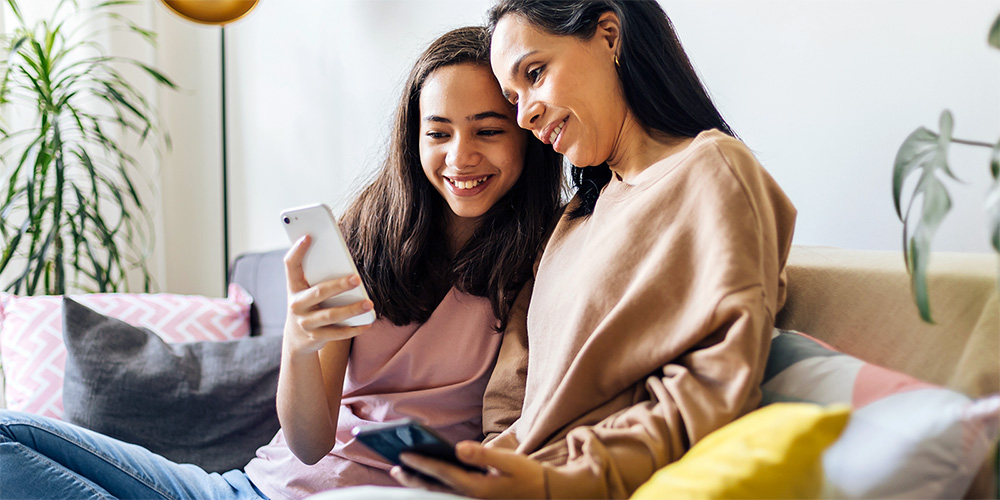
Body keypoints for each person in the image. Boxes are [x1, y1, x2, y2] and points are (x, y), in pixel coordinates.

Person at [0, 26, 563, 500]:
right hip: (252, 489)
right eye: (438, 133)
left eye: (488, 131)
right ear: (413, 139)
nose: (460, 157)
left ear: (527, 136)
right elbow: (310, 443)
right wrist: (299, 339)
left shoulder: (544, 260)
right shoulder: (363, 236)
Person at [381, 1, 797, 498]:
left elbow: (710, 389)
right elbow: (513, 386)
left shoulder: (710, 172)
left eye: (535, 73)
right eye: (513, 98)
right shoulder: (574, 217)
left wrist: (555, 483)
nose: (526, 113)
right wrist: (491, 463)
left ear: (608, 35)